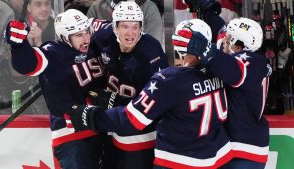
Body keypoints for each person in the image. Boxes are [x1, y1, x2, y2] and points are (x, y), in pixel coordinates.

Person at [64, 18, 234, 169]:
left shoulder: (170, 80)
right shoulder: (221, 73)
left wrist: (91, 116)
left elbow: (131, 120)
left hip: (180, 161)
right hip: (218, 158)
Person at [5, 9, 107, 169]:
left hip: (104, 127)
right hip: (72, 136)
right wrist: (18, 46)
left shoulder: (96, 46)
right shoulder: (53, 53)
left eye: (87, 32)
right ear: (65, 38)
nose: (86, 38)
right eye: (79, 35)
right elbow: (27, 64)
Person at [174, 17, 272, 169]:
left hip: (244, 148)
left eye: (228, 39)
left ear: (238, 46)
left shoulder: (253, 62)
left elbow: (235, 71)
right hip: (231, 147)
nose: (223, 42)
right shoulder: (237, 62)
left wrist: (207, 50)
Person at [90, 1, 169, 169]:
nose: (131, 33)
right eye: (125, 26)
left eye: (135, 26)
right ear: (115, 27)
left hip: (142, 132)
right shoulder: (102, 38)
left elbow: (158, 102)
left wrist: (114, 101)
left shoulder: (151, 53)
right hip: (112, 127)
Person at [87, 0, 163, 44]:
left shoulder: (148, 7)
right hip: (103, 62)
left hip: (137, 62)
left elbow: (152, 44)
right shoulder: (96, 7)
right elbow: (87, 41)